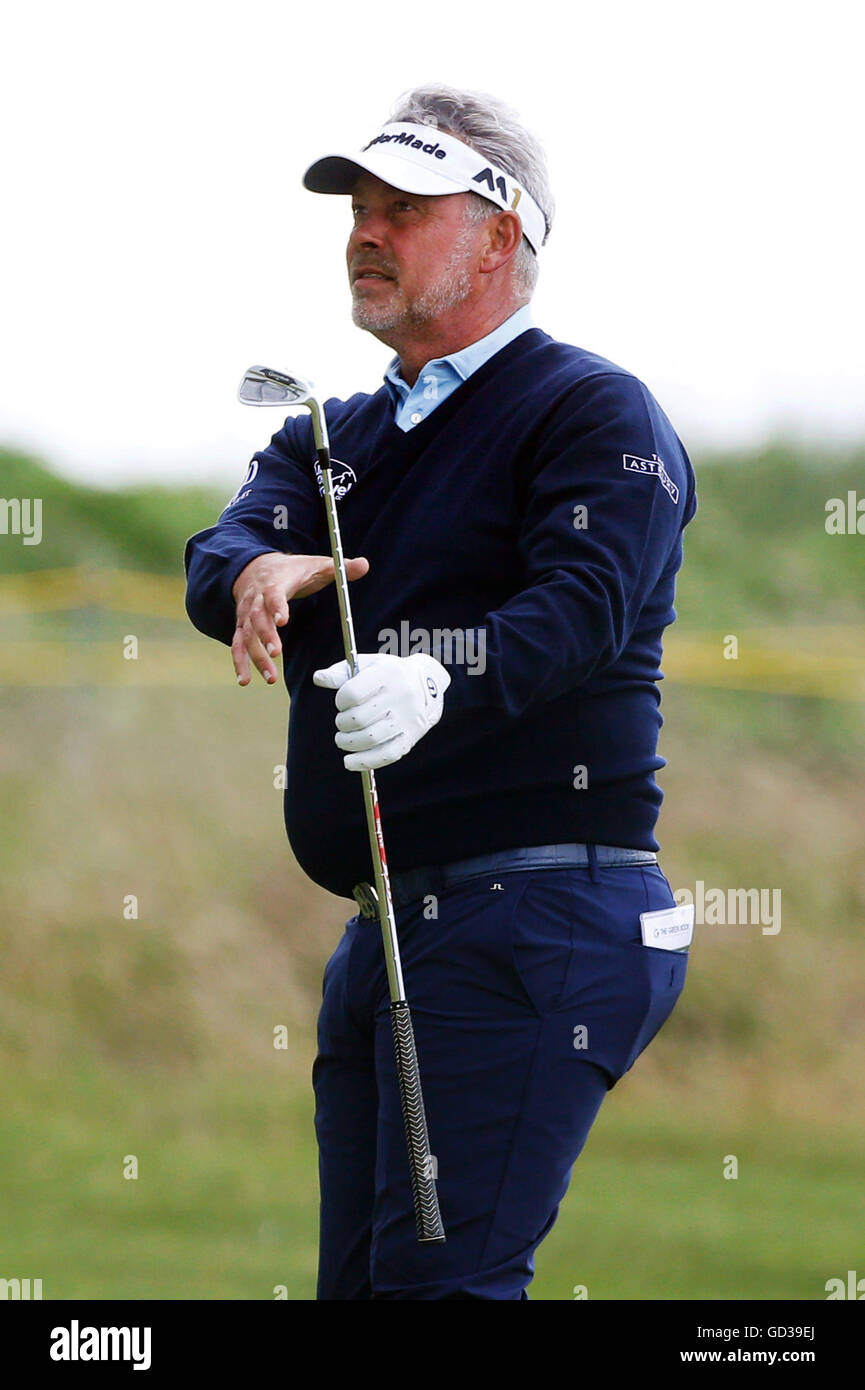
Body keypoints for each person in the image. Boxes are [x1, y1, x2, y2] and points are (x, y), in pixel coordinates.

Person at [184, 83, 698, 1301]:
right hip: (391, 928)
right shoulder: (335, 431)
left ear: (499, 236)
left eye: (403, 208)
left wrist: (437, 674)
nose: (366, 230)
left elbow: (580, 612)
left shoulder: (587, 408)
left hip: (539, 917)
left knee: (439, 1294)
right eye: (358, 209)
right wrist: (259, 565)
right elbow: (220, 557)